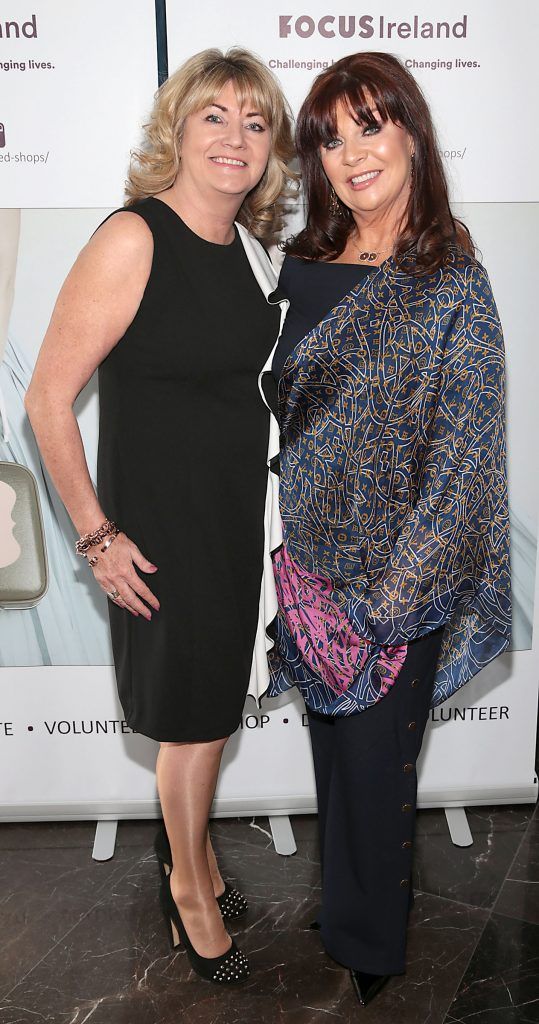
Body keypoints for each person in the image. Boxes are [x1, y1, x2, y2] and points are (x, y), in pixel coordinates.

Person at [25, 47, 293, 985]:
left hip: (236, 523)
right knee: (193, 723)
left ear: (271, 151)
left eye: (254, 123)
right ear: (175, 129)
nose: (234, 138)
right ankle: (189, 893)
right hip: (159, 534)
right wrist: (96, 536)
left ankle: (200, 859)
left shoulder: (252, 253)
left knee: (214, 711)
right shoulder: (134, 237)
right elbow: (48, 398)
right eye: (213, 116)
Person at [267, 51, 511, 1007]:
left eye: (370, 126)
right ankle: (343, 909)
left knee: (375, 768)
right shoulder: (295, 268)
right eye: (329, 137)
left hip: (396, 577)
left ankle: (372, 950)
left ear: (411, 132)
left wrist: (389, 601)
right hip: (296, 566)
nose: (350, 153)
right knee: (335, 759)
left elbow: (464, 462)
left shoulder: (450, 281)